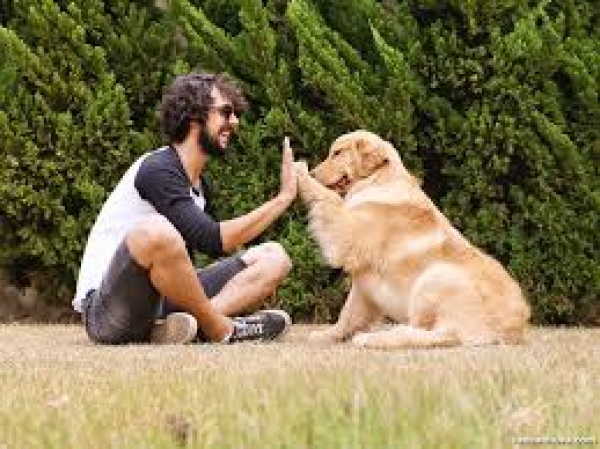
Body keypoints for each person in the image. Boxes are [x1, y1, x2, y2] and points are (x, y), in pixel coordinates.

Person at [73, 72, 297, 345]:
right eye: (226, 112)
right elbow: (212, 238)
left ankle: (185, 328)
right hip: (107, 310)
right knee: (156, 232)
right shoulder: (157, 169)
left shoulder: (199, 186)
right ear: (194, 117)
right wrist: (283, 199)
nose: (235, 122)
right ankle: (222, 329)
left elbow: (206, 250)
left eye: (236, 113)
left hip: (161, 301)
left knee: (275, 257)